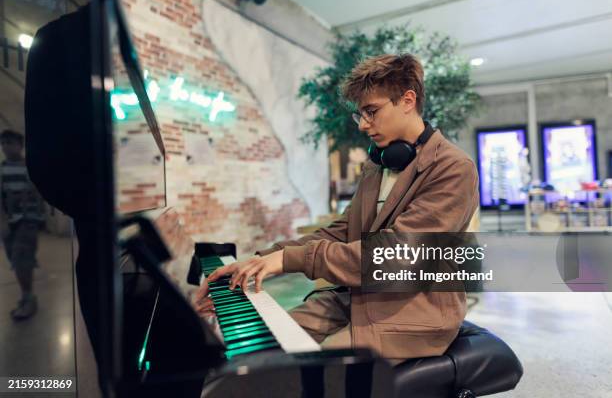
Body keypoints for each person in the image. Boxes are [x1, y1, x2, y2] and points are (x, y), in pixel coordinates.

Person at [197, 53, 479, 360]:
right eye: (360, 115)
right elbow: (340, 233)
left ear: (408, 100)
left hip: (415, 315)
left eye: (372, 111)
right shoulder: (379, 163)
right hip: (357, 298)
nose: (363, 125)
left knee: (311, 375)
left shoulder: (453, 168)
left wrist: (293, 259)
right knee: (255, 354)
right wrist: (260, 261)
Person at [0, 130, 46, 320]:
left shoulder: (30, 166)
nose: (5, 146)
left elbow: (39, 190)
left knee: (21, 257)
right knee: (15, 259)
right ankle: (26, 295)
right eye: (3, 143)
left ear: (20, 145)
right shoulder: (2, 168)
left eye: (10, 142)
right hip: (10, 222)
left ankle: (28, 299)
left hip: (28, 219)